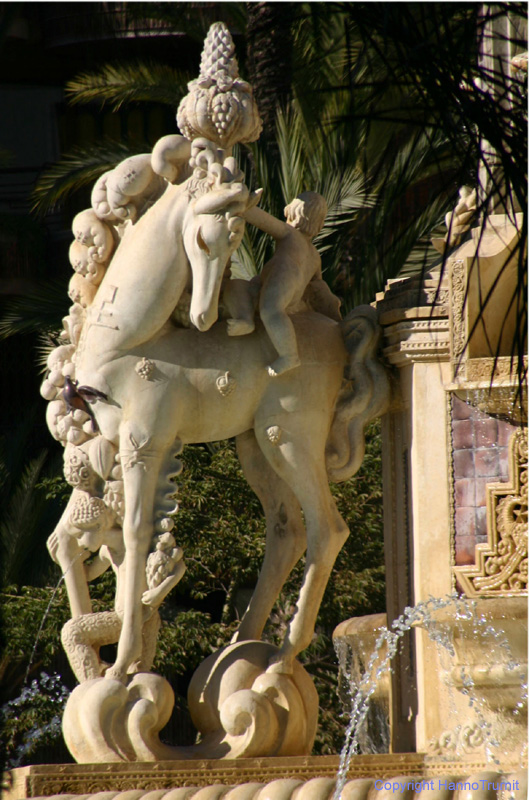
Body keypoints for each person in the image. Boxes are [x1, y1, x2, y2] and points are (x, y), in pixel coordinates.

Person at [245, 191, 331, 376]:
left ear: (295, 211)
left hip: (285, 277)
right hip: (295, 292)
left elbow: (257, 217)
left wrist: (241, 202)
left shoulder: (289, 234)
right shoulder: (315, 255)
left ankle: (289, 355)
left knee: (270, 310)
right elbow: (318, 286)